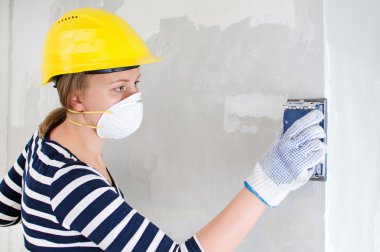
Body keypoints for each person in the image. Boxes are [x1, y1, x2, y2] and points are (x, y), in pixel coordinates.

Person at [0, 7, 326, 252]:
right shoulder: (73, 184)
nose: (134, 97)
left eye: (136, 82)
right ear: (77, 98)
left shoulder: (47, 136)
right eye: (119, 88)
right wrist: (267, 183)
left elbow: (4, 211)